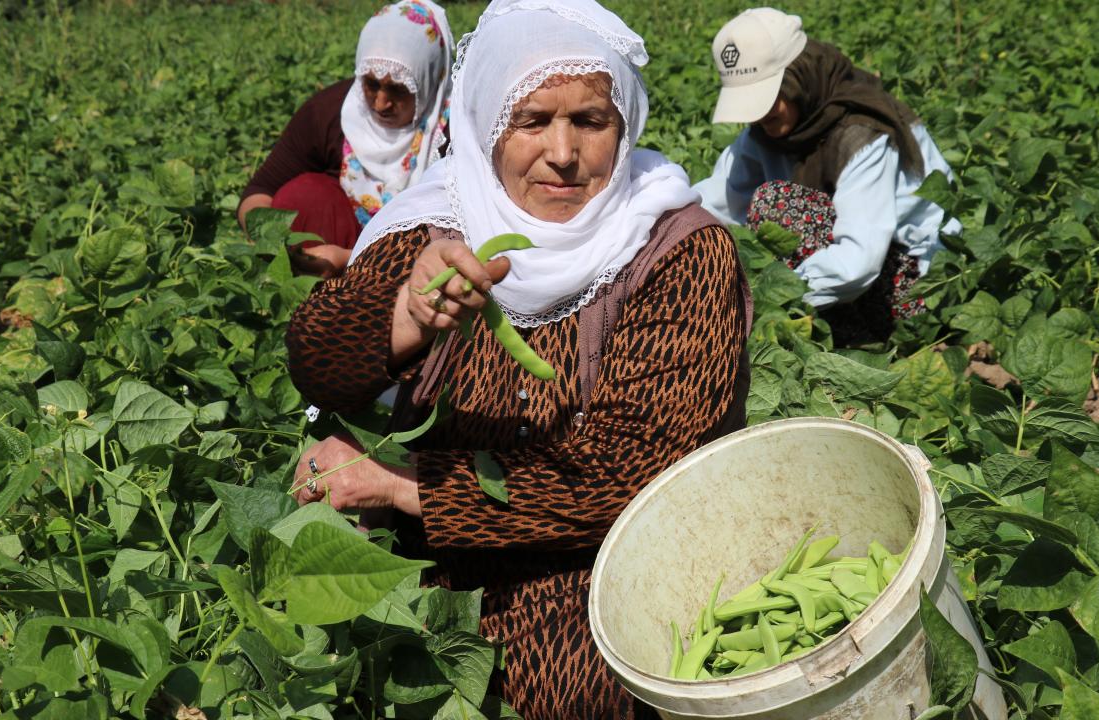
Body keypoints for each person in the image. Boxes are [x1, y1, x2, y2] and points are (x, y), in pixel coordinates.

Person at [283, 0, 751, 716]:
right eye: (532, 120)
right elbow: (316, 362)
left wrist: (402, 485)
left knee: (585, 688)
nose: (562, 152)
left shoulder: (677, 251)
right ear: (486, 125)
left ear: (625, 124)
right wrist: (408, 317)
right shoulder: (438, 223)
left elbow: (630, 474)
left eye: (590, 121)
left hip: (596, 560)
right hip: (425, 555)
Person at [694, 7, 962, 345]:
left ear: (798, 77)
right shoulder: (769, 131)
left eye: (767, 98)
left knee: (777, 205)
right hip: (851, 272)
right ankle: (837, 334)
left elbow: (859, 261)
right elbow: (717, 201)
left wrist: (770, 299)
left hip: (915, 281)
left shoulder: (861, 134)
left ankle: (863, 337)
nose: (759, 115)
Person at [239, 1, 452, 278]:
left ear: (429, 80)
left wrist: (349, 259)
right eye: (371, 84)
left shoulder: (453, 132)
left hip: (417, 270)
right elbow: (259, 192)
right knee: (304, 194)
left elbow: (464, 237)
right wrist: (275, 246)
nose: (381, 103)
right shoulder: (330, 112)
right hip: (332, 244)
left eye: (398, 88)